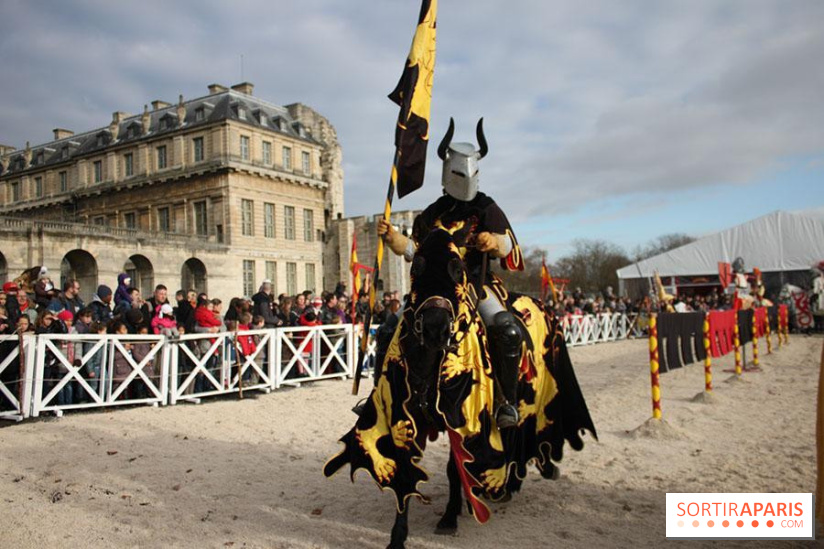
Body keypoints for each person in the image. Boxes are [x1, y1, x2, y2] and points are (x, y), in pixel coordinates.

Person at [376, 118, 524, 428]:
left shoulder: (487, 208)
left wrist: (495, 241)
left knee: (507, 330)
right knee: (390, 329)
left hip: (475, 286)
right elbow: (419, 252)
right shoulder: (432, 214)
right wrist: (394, 239)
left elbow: (510, 245)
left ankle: (507, 402)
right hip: (434, 288)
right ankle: (380, 398)